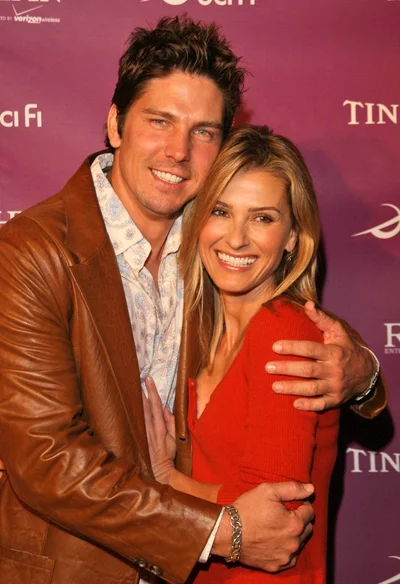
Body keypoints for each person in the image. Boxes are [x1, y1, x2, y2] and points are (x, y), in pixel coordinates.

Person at [0, 17, 386, 584]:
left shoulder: (209, 243)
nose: (178, 152)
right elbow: (48, 459)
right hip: (73, 568)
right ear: (115, 123)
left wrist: (364, 375)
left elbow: (293, 321)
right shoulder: (32, 252)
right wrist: (219, 529)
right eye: (160, 121)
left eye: (204, 132)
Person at [142, 125, 340, 582]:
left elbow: (274, 516)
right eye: (221, 211)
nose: (236, 239)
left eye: (263, 218)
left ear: (293, 236)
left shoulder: (283, 328)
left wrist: (167, 479)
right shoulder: (199, 333)